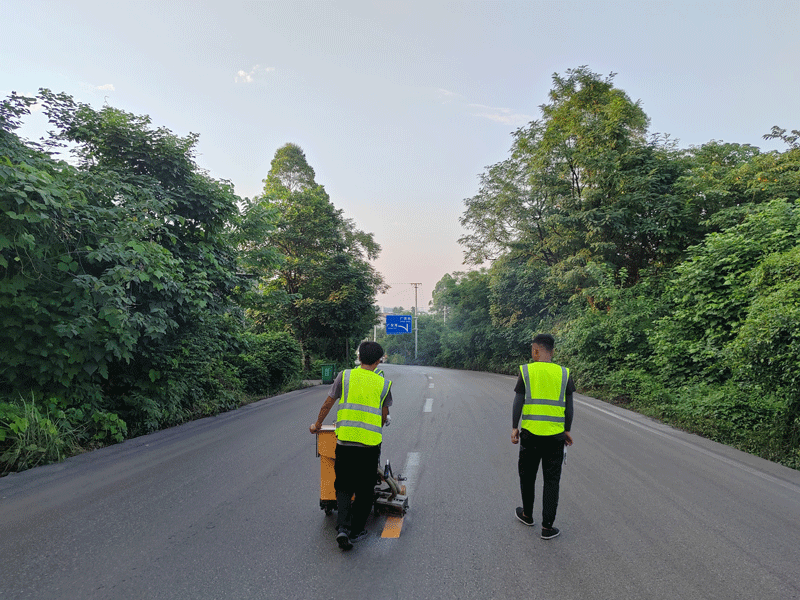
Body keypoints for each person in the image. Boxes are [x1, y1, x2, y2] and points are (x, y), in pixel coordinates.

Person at [310, 341, 393, 551]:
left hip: (345, 442)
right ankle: (356, 530)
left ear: (359, 358)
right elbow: (384, 416)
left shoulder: (344, 376)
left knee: (344, 486)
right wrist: (381, 420)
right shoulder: (384, 384)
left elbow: (328, 402)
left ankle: (343, 529)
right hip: (369, 445)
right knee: (365, 490)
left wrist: (317, 424)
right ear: (378, 361)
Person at [511, 333, 575, 539]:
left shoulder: (527, 371)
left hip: (530, 434)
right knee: (552, 481)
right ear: (553, 351)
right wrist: (567, 430)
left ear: (536, 350)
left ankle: (527, 515)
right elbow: (569, 406)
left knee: (527, 476)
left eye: (532, 349)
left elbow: (518, 401)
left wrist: (514, 427)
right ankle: (547, 527)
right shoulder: (564, 373)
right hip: (555, 436)